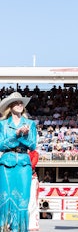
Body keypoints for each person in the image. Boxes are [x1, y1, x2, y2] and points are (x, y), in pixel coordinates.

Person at [0, 92, 37, 231]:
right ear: (10, 106)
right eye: (16, 102)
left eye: (21, 102)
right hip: (6, 164)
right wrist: (16, 135)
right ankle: (3, 228)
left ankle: (18, 229)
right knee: (5, 199)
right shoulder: (2, 124)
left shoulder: (30, 124)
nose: (20, 104)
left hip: (23, 164)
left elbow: (33, 145)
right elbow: (1, 145)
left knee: (23, 199)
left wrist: (24, 136)